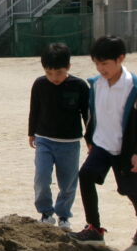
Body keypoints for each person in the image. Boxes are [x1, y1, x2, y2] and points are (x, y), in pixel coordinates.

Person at [71, 36, 137, 246]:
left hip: (127, 150)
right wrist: (90, 139)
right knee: (85, 176)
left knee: (133, 191)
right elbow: (93, 115)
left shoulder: (136, 90)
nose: (101, 69)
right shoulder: (96, 85)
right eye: (97, 64)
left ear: (120, 59)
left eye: (105, 63)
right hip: (102, 146)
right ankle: (94, 228)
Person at [28, 42, 90, 230]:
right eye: (49, 73)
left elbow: (87, 115)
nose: (54, 78)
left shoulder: (80, 86)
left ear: (68, 67)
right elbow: (34, 110)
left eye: (59, 73)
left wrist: (90, 140)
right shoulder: (39, 84)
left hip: (70, 143)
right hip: (44, 140)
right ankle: (46, 213)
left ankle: (63, 215)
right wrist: (31, 133)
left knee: (68, 182)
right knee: (41, 177)